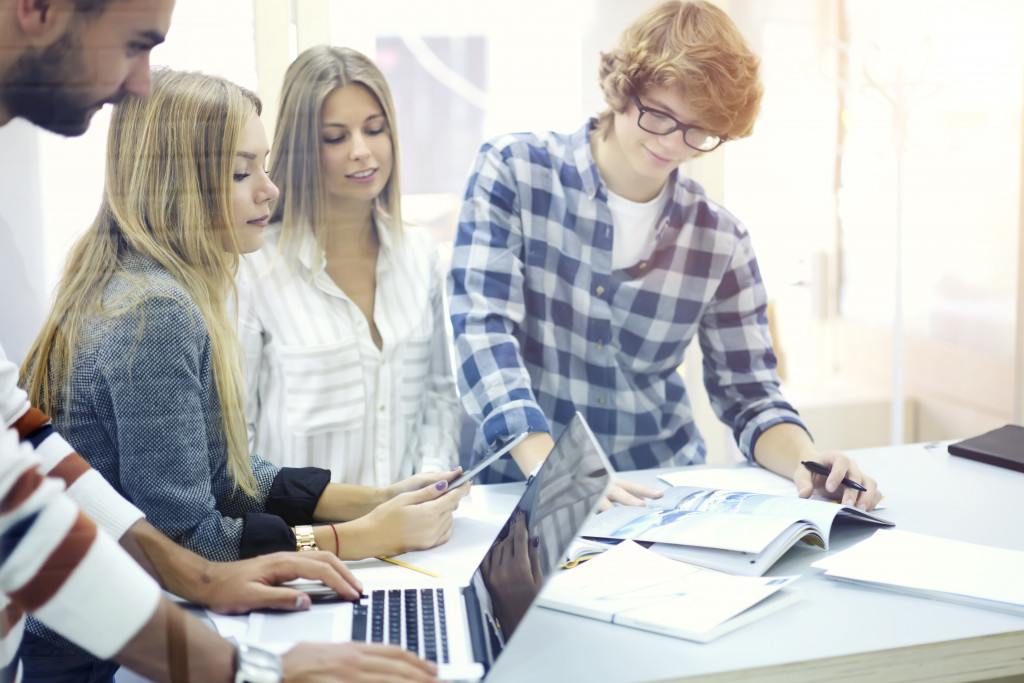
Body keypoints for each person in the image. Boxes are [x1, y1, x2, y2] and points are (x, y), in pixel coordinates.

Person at [0, 0, 438, 681]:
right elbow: (188, 536)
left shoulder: (157, 288)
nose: (269, 190)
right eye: (241, 173)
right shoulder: (152, 312)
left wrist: (373, 499)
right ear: (177, 184)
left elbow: (221, 473)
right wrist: (353, 540)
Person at [448, 0, 883, 512]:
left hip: (659, 493)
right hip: (521, 488)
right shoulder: (515, 172)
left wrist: (811, 463)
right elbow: (482, 329)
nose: (673, 144)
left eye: (698, 131)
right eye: (658, 115)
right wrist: (557, 469)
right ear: (621, 89)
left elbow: (751, 395)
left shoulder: (720, 239)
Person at [237, 45, 461, 486]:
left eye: (374, 129)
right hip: (311, 543)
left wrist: (432, 483)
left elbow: (439, 397)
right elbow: (236, 438)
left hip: (414, 539)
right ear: (303, 148)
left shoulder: (420, 252)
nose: (362, 150)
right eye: (336, 137)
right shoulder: (254, 268)